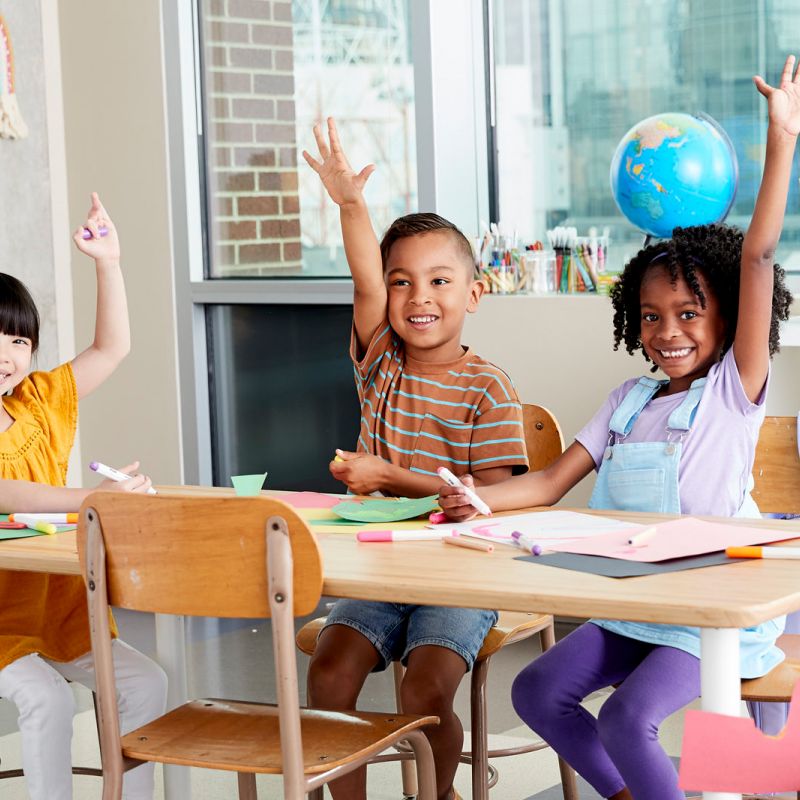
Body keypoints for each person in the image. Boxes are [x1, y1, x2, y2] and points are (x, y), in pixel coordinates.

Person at [437, 56, 798, 800]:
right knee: (537, 693)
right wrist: (476, 499)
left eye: (690, 315)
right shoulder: (627, 400)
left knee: (628, 718)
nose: (668, 332)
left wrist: (782, 141)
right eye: (652, 317)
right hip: (636, 601)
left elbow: (759, 256)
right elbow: (546, 482)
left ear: (728, 317)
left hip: (708, 613)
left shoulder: (735, 391)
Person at [302, 118, 529, 800]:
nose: (418, 298)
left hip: (459, 576)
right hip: (376, 566)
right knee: (329, 675)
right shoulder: (381, 365)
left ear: (473, 294)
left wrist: (392, 478)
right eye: (402, 282)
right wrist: (350, 206)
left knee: (425, 689)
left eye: (438, 281)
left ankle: (437, 792)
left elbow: (490, 501)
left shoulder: (489, 387)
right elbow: (363, 279)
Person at [0, 194, 167, 800]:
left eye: (18, 341)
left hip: (61, 611)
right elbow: (5, 491)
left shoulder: (38, 401)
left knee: (146, 684)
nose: (6, 355)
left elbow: (111, 349)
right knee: (44, 699)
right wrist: (90, 498)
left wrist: (109, 263)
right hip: (0, 622)